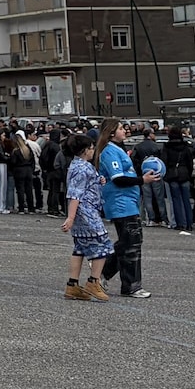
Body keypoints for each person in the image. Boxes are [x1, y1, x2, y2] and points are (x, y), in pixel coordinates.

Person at [61, 131, 114, 301]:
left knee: (80, 247)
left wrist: (98, 181)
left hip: (83, 211)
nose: (93, 151)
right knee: (102, 245)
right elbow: (75, 194)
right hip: (86, 212)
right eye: (91, 148)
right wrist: (70, 217)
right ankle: (93, 281)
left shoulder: (77, 165)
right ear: (85, 150)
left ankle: (72, 284)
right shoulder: (82, 169)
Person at [97, 125, 148, 299]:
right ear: (111, 132)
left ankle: (101, 272)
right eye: (120, 128)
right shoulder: (109, 151)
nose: (124, 131)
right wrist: (142, 180)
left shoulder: (118, 149)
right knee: (130, 244)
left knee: (129, 242)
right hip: (120, 203)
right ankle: (131, 286)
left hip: (129, 202)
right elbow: (117, 178)